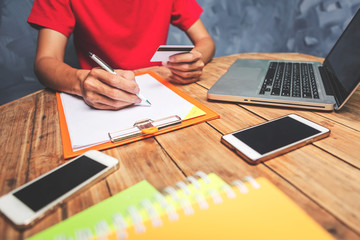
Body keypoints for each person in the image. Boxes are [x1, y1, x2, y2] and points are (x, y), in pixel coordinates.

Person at [27, 0, 215, 110]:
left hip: (161, 90)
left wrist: (196, 57)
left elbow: (206, 40)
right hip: (99, 95)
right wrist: (80, 81)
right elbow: (45, 62)